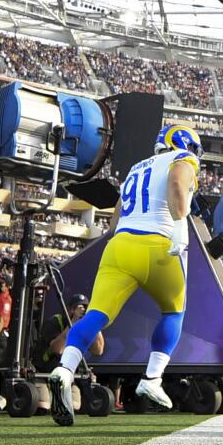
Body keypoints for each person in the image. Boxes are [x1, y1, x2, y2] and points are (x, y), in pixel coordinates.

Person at [47, 123, 202, 425]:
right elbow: (176, 183)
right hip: (157, 244)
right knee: (174, 312)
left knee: (96, 314)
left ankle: (64, 370)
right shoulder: (183, 158)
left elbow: (116, 216)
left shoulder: (136, 168)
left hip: (119, 245)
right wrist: (181, 223)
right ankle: (153, 378)